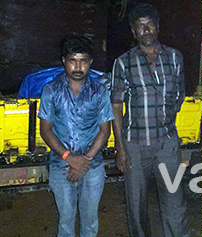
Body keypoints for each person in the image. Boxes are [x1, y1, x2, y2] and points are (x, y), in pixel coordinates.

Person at [110, 3, 187, 237]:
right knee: (136, 206)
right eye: (140, 27)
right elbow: (116, 105)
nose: (146, 31)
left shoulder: (174, 57)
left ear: (158, 27)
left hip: (167, 143)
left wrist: (166, 123)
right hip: (135, 145)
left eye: (150, 25)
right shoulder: (123, 62)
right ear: (133, 32)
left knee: (175, 202)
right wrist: (120, 147)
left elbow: (179, 96)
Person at [39, 35, 114, 237]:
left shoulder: (100, 91)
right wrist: (70, 158)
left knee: (90, 222)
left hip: (92, 166)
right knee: (65, 222)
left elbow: (105, 130)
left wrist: (84, 161)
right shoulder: (51, 90)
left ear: (91, 62)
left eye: (83, 61)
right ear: (64, 60)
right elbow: (46, 130)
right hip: (61, 166)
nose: (78, 67)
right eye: (73, 60)